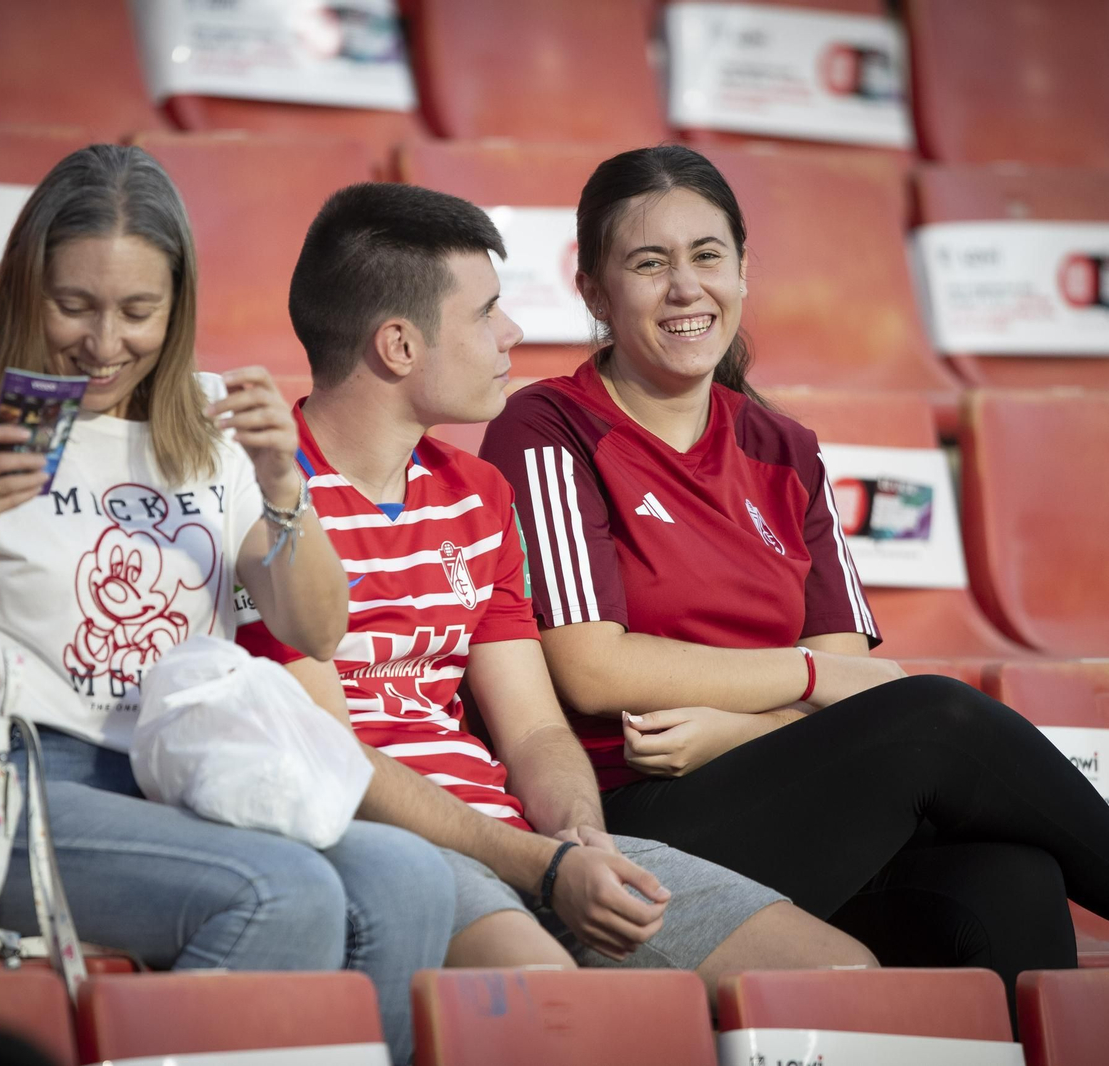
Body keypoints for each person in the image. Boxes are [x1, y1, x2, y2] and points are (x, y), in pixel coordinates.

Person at [475, 144, 1109, 1003]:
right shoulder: (548, 427)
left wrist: (739, 728)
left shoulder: (783, 448)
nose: (686, 288)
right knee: (934, 717)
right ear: (595, 292)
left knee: (1009, 878)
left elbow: (852, 683)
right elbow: (592, 665)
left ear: (745, 269)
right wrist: (805, 675)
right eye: (649, 264)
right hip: (633, 820)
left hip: (780, 789)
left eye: (707, 255)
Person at [0, 145, 453, 1065]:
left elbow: (316, 627)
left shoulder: (205, 422)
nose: (103, 342)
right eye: (73, 306)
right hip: (6, 782)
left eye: (137, 311)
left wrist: (285, 480)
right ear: (23, 289)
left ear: (179, 305)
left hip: (190, 774)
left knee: (411, 879)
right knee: (282, 892)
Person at [236, 181, 878, 987]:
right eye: (485, 313)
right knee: (552, 999)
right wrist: (539, 865)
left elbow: (535, 732)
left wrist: (580, 836)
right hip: (392, 847)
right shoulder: (258, 490)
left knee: (842, 978)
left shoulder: (479, 494)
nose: (514, 331)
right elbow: (335, 757)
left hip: (525, 844)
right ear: (399, 346)